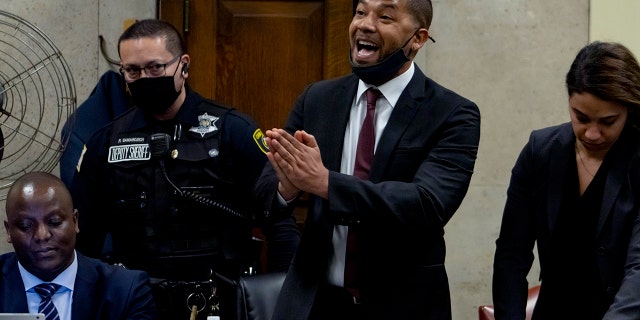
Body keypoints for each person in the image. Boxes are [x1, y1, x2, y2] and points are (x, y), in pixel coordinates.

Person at [255, 0, 481, 318]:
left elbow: (427, 204)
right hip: (316, 303)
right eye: (360, 12)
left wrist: (325, 183)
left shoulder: (453, 113)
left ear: (417, 38)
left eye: (385, 17)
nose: (365, 24)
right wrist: (288, 186)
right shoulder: (317, 99)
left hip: (405, 305)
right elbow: (266, 194)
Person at [70, 19, 300, 320]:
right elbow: (83, 236)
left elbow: (278, 220)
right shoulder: (105, 143)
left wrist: (285, 299)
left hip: (221, 298)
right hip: (135, 302)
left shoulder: (233, 130)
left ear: (183, 65)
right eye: (133, 71)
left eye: (155, 67)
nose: (145, 78)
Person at [492, 41, 640, 320]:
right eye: (580, 117)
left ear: (629, 110)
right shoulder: (541, 151)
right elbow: (512, 255)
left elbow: (639, 268)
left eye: (608, 121)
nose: (592, 134)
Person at [0, 171, 157, 319]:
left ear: (75, 221)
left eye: (54, 222)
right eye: (26, 226)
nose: (42, 235)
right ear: (8, 231)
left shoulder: (126, 291)